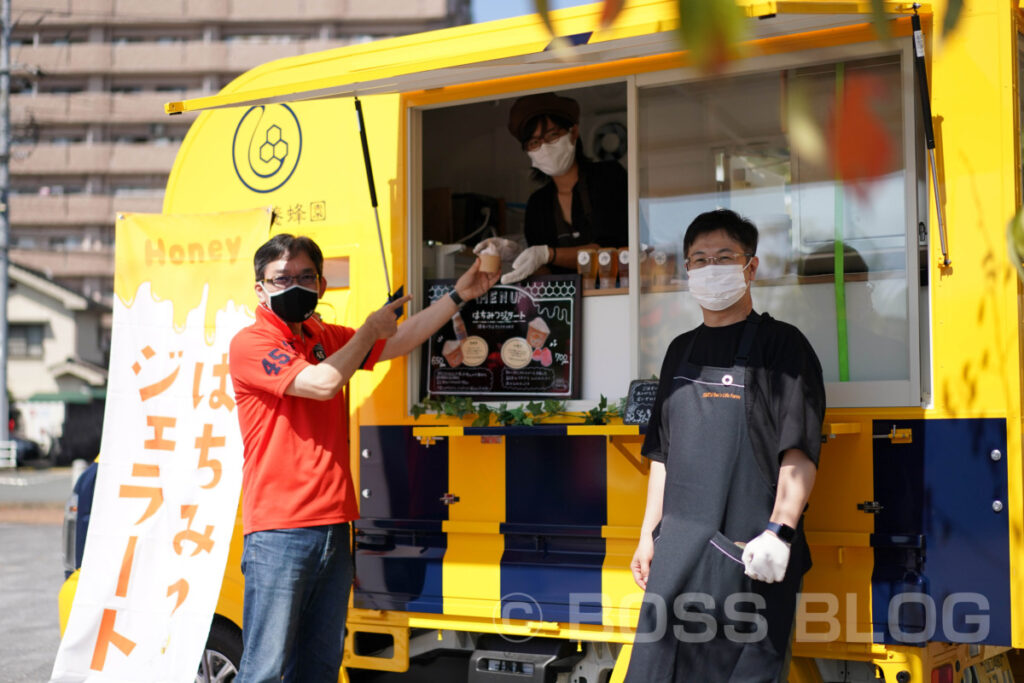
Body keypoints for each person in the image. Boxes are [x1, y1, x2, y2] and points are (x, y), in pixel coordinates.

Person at [228, 233, 498, 682]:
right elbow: (320, 384)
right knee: (266, 669)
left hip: (335, 526)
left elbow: (398, 340)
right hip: (279, 531)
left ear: (322, 284)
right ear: (260, 288)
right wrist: (370, 331)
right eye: (281, 279)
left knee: (320, 665)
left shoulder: (323, 335)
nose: (293, 286)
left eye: (305, 277)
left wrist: (457, 296)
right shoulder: (251, 343)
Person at [625, 209, 825, 682]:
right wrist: (648, 535)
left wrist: (780, 532)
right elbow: (662, 455)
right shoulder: (679, 350)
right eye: (699, 259)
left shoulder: (784, 347)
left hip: (749, 558)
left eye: (723, 256)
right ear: (688, 271)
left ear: (750, 267)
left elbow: (799, 450)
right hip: (676, 556)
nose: (710, 266)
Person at [475, 92, 628, 284]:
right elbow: (543, 272)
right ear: (528, 152)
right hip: (566, 303)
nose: (545, 147)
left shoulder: (608, 176)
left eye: (552, 135)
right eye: (534, 142)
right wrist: (520, 255)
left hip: (617, 292)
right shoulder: (538, 204)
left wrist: (548, 254)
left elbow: (611, 251)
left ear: (573, 133)